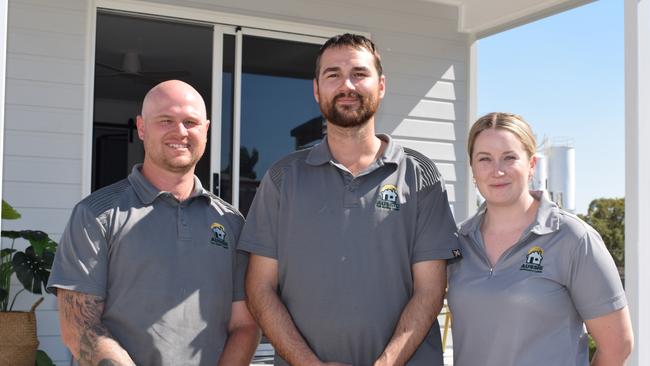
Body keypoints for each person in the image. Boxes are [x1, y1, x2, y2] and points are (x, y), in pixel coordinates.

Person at [239, 33, 460, 366]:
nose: (347, 85)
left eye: (359, 73)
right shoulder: (283, 179)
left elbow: (430, 290)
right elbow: (259, 287)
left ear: (381, 85)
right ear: (316, 90)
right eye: (333, 75)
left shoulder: (420, 175)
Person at [48, 80, 260, 366]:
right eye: (166, 120)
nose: (180, 132)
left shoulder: (230, 222)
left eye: (190, 122)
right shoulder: (96, 215)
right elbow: (79, 328)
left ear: (206, 130)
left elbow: (244, 325)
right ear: (142, 127)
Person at [447, 112, 634, 366]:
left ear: (531, 165)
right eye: (484, 159)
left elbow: (618, 346)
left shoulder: (573, 239)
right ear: (472, 168)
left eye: (510, 157)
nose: (497, 170)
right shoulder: (458, 241)